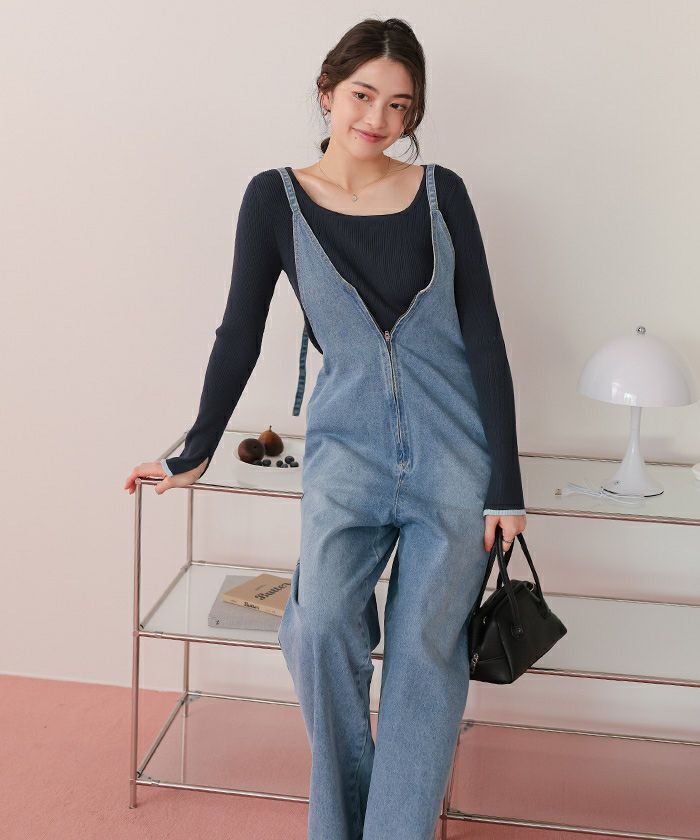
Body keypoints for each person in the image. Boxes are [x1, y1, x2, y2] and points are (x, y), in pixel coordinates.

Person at [124, 17, 526, 840]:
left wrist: (506, 488)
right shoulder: (274, 198)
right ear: (327, 93)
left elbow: (484, 335)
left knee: (425, 652)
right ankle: (352, 819)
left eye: (399, 105)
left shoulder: (443, 194)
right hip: (346, 455)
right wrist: (196, 446)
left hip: (454, 459)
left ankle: (396, 829)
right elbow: (239, 331)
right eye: (362, 95)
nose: (378, 118)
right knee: (317, 626)